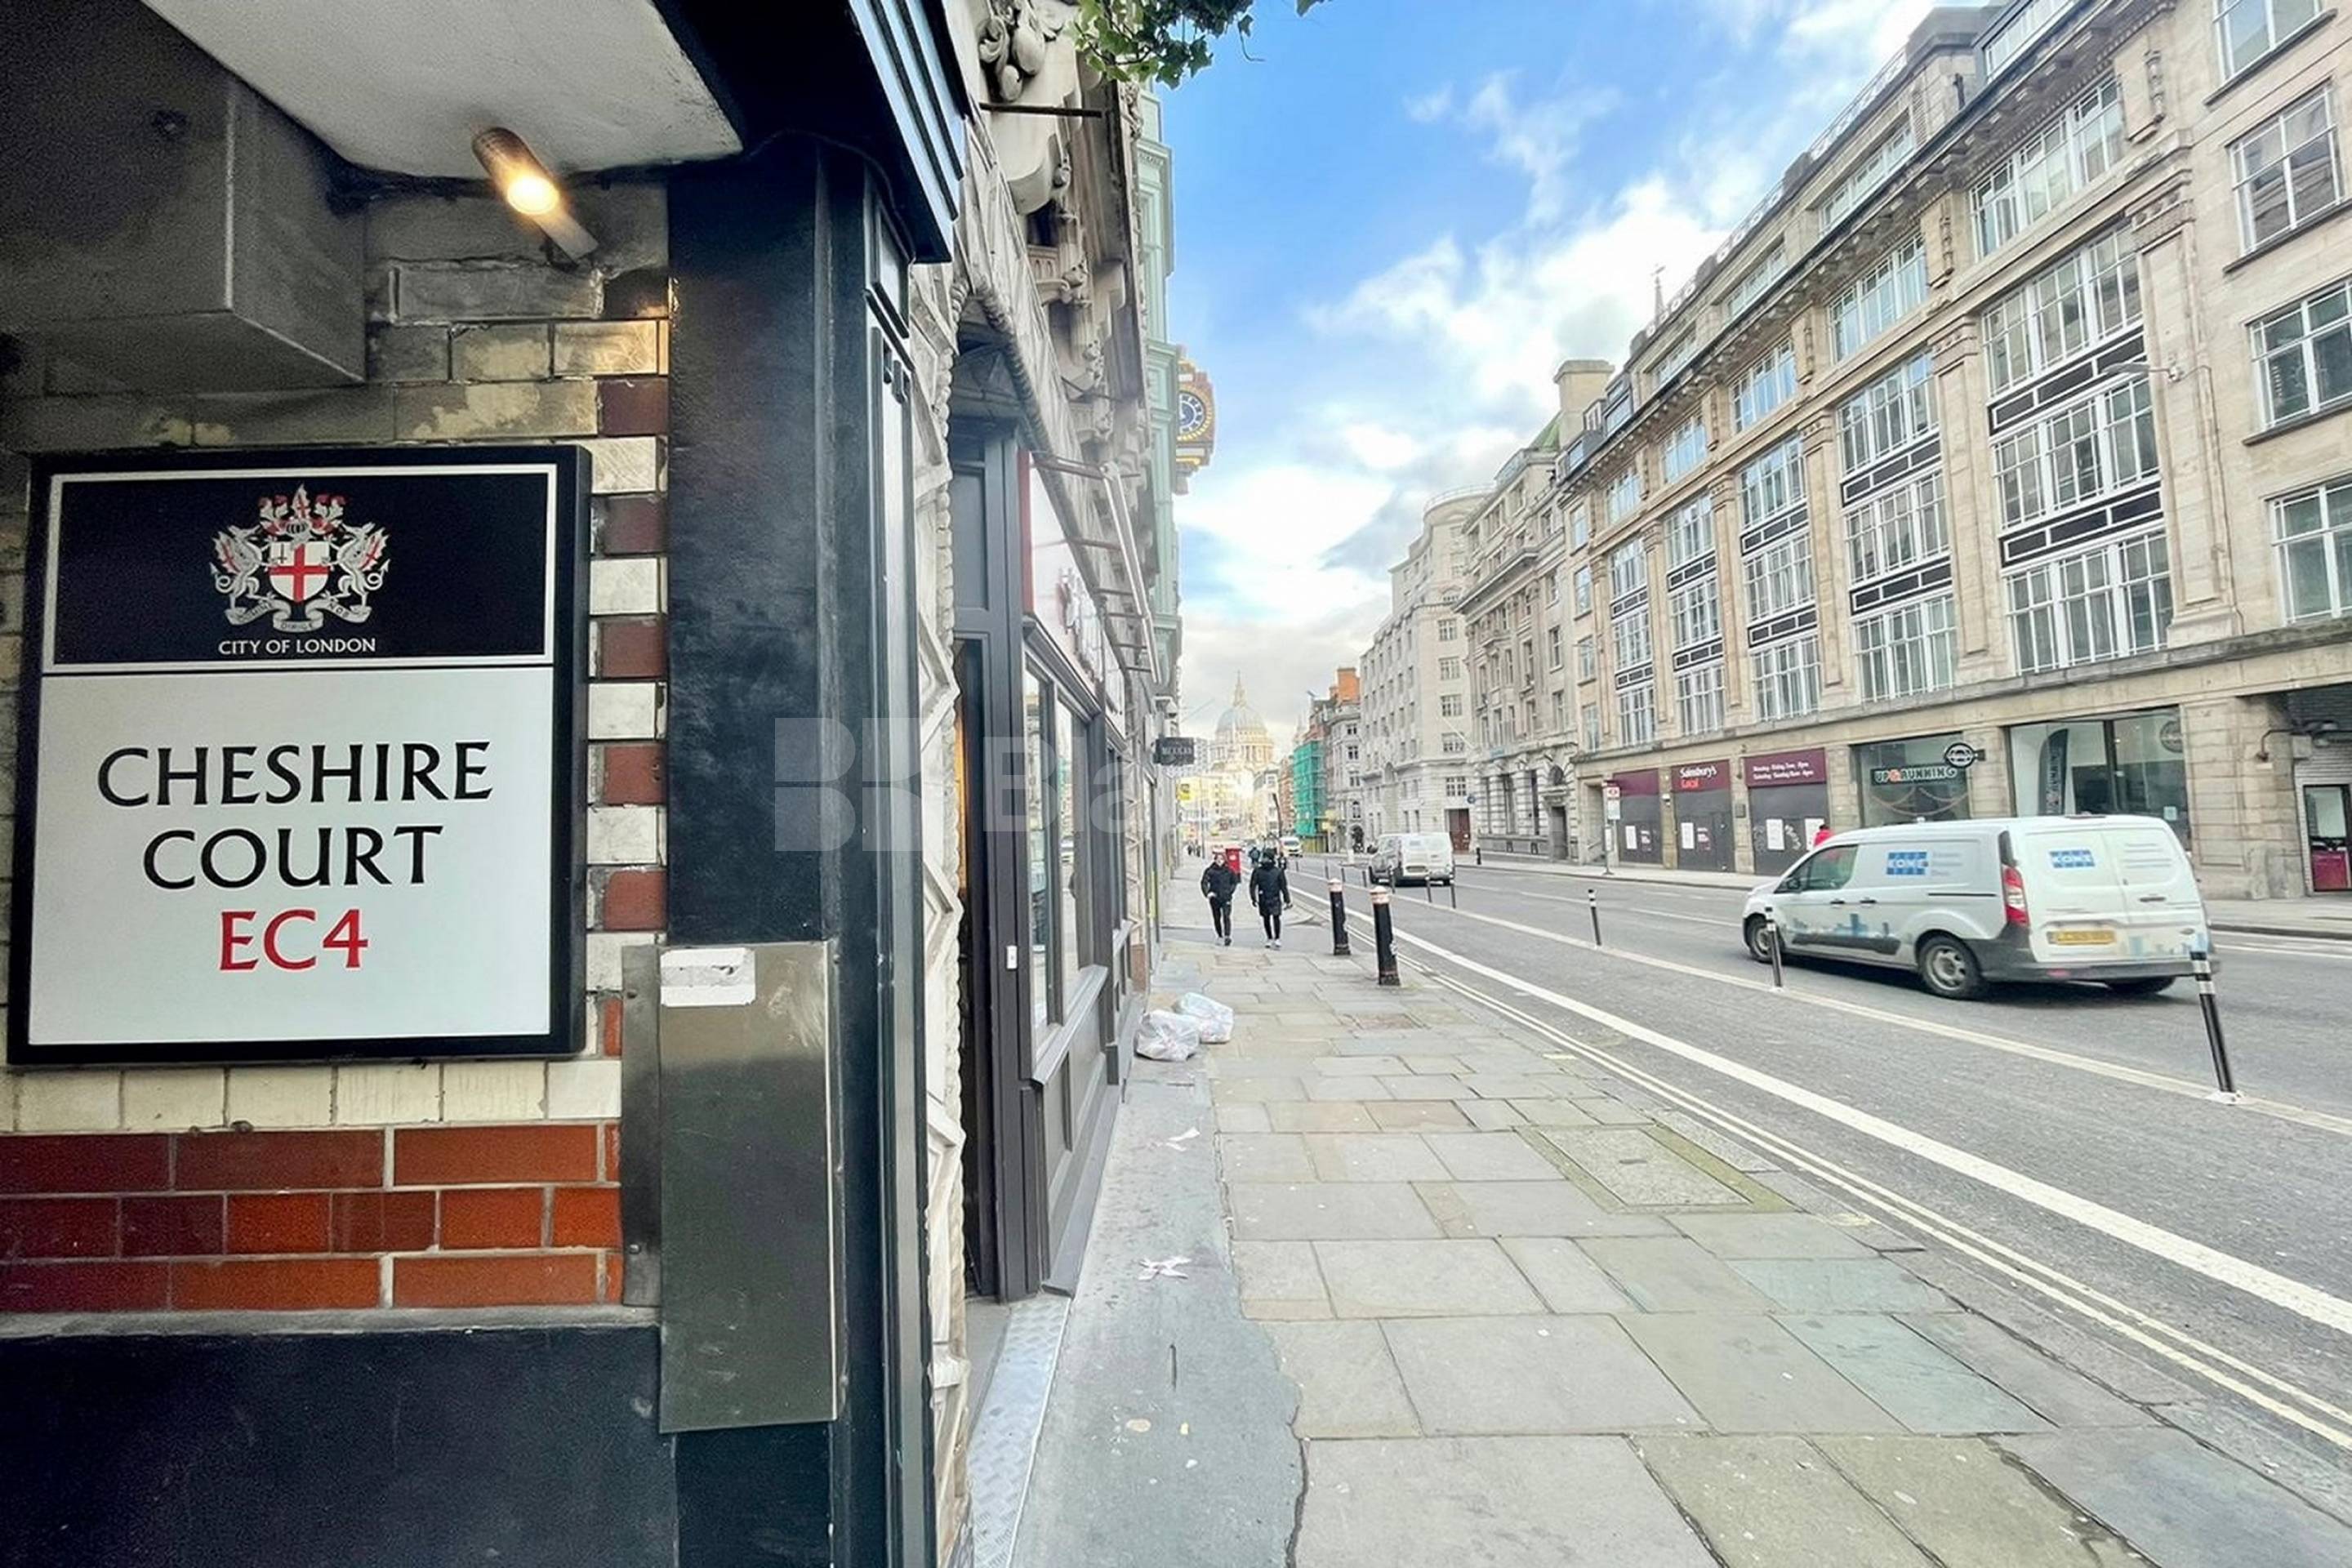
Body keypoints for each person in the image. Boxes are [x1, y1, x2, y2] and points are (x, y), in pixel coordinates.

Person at [1250, 852, 1289, 949]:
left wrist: (1287, 899)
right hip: (1264, 898)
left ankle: (1277, 938)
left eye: (1266, 858)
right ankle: (1269, 937)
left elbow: (1283, 887)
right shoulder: (1258, 871)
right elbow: (1253, 885)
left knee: (1276, 918)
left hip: (1275, 897)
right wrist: (1253, 898)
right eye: (1264, 858)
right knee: (1266, 919)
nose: (1264, 860)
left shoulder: (1278, 871)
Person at [1200, 855, 1239, 946]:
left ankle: (1227, 936)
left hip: (1226, 897)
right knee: (1217, 917)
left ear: (1224, 860)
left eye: (1221, 859)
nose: (1219, 861)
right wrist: (1207, 893)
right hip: (1215, 898)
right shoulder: (1210, 871)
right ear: (1214, 860)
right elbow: (1204, 882)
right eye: (1217, 859)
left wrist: (1230, 891)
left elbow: (1234, 882)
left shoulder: (1229, 870)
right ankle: (1220, 935)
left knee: (1226, 916)